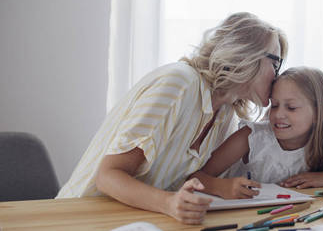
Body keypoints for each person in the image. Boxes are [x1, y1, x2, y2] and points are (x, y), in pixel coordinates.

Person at [56, 12, 288, 224]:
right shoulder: (178, 83)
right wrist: (168, 203)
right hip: (78, 218)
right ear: (246, 54)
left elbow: (182, 175)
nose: (277, 77)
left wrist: (219, 186)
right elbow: (108, 177)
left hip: (137, 219)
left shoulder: (225, 111)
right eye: (275, 64)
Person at [190, 66, 323, 199]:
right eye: (274, 105)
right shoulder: (249, 137)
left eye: (291, 108)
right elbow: (195, 177)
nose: (278, 115)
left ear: (321, 114)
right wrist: (221, 186)